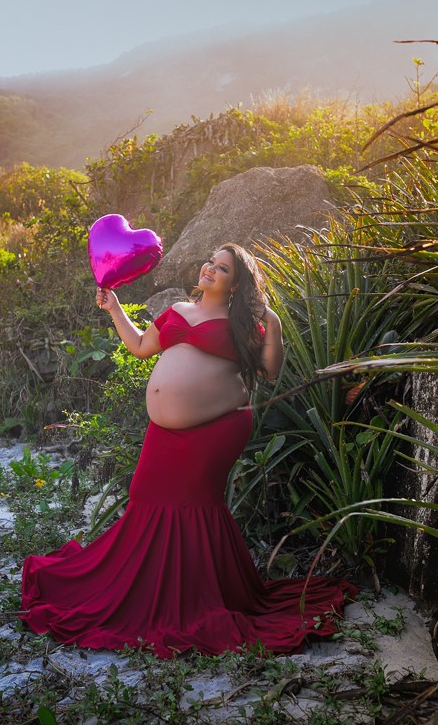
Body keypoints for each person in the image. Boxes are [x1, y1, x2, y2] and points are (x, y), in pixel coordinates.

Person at [21, 244, 357, 657]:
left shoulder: (247, 322)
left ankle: (197, 600)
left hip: (216, 428)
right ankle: (152, 593)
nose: (210, 270)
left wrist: (270, 320)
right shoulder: (180, 309)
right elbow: (142, 346)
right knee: (144, 495)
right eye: (210, 262)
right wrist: (114, 309)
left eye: (222, 268)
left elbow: (270, 372)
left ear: (237, 281)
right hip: (165, 432)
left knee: (194, 505)